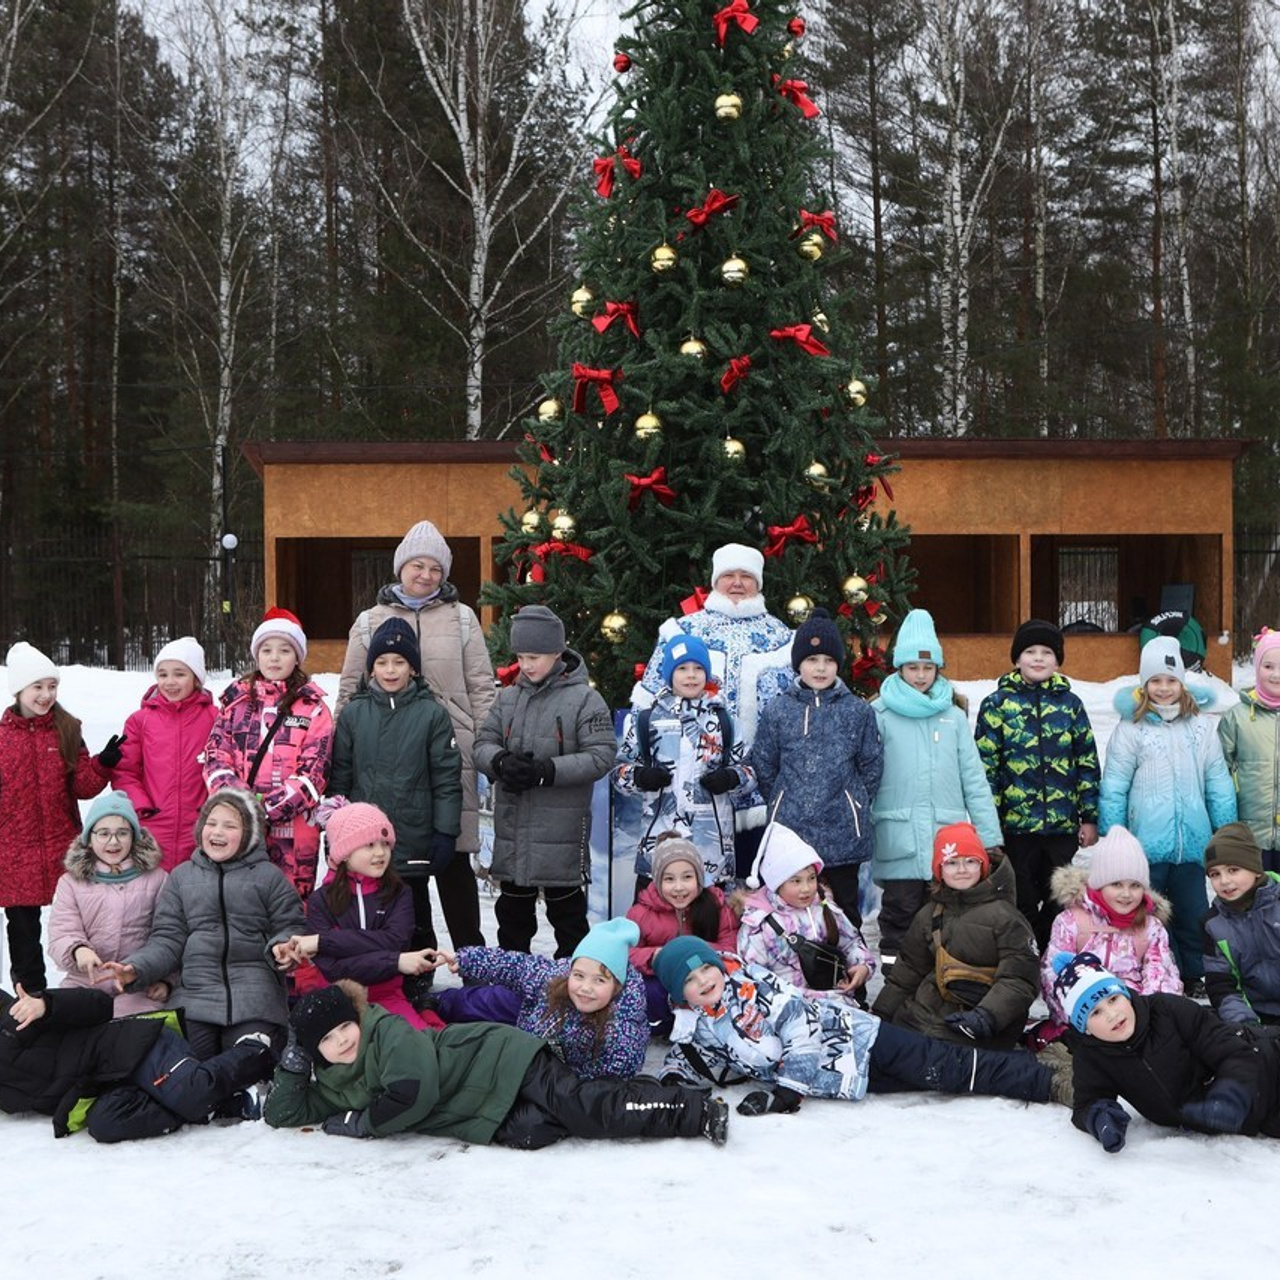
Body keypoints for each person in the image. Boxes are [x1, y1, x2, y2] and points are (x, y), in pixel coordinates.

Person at [263, 979, 730, 1148]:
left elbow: (414, 1091)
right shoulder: (331, 1085)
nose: (342, 1039)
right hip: (486, 1107)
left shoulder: (387, 1033)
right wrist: (291, 1064)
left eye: (345, 1026)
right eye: (325, 1039)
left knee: (584, 1110)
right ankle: (646, 1093)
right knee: (537, 1132)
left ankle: (692, 1113)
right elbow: (281, 1113)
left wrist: (364, 1123)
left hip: (501, 1057)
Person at [654, 936, 1070, 1111]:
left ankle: (1053, 1082)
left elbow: (798, 1028)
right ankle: (1034, 1075)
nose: (704, 980)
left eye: (706, 969)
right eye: (690, 980)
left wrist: (786, 1093)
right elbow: (691, 1057)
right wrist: (672, 1080)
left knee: (953, 1067)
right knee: (942, 1078)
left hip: (861, 1039)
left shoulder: (751, 985)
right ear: (680, 995)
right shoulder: (702, 1026)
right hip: (846, 1076)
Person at [335, 519, 496, 880]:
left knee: (453, 856)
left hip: (454, 752)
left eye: (436, 568)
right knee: (396, 862)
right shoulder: (369, 621)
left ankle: (465, 939)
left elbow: (482, 687)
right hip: (389, 755)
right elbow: (350, 690)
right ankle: (410, 936)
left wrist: (487, 745)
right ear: (400, 568)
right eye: (418, 565)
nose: (426, 575)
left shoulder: (462, 619)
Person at [103, 788, 305, 1058]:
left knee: (248, 1062)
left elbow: (291, 925)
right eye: (211, 823)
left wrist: (283, 946)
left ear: (250, 835)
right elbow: (167, 938)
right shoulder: (181, 877)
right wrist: (137, 968)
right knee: (186, 1067)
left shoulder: (269, 877)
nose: (217, 832)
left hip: (255, 996)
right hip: (195, 997)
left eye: (230, 825)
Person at [328, 617, 472, 995]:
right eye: (382, 662)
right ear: (371, 667)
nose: (390, 670)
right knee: (366, 914)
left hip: (413, 837)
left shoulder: (432, 714)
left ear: (413, 667)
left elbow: (445, 778)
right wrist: (336, 829)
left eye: (399, 662)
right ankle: (373, 983)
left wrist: (444, 833)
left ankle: (418, 987)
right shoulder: (355, 714)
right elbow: (340, 777)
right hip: (363, 840)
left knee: (414, 914)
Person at [631, 543, 793, 872]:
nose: (737, 583)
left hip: (756, 791)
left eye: (746, 576)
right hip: (687, 796)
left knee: (748, 883)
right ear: (715, 580)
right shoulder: (684, 631)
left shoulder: (782, 639)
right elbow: (647, 704)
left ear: (758, 583)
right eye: (729, 575)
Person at [1098, 634, 1236, 994]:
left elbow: (1217, 780)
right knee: (1152, 916)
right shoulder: (1131, 729)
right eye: (1155, 681)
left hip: (1192, 844)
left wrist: (1225, 830)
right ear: (1144, 685)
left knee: (1193, 915)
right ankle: (1159, 973)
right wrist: (1115, 834)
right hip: (1146, 846)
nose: (1163, 688)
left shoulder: (1201, 728)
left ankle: (1195, 974)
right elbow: (1114, 783)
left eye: (1171, 680)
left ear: (1182, 683)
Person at [474, 605, 614, 956]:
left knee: (568, 918)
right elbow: (482, 744)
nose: (527, 665)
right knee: (512, 917)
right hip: (515, 830)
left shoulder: (585, 699)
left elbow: (601, 756)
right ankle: (512, 979)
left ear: (557, 652)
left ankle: (575, 979)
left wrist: (546, 771)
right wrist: (501, 761)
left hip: (561, 834)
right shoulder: (508, 698)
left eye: (535, 656)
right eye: (521, 656)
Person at [871, 608, 1001, 965]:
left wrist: (988, 837)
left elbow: (973, 778)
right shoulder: (879, 714)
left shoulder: (953, 716)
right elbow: (867, 777)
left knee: (944, 919)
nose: (921, 675)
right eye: (913, 667)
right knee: (899, 917)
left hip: (947, 842)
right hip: (897, 837)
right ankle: (895, 991)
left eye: (928, 668)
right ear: (899, 668)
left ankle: (937, 989)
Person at [1053, 950, 1280, 1152]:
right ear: (1086, 1029)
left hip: (1267, 1069)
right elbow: (1086, 1103)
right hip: (1253, 1117)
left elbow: (1233, 1053)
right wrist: (1101, 1117)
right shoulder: (1091, 1054)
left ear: (1124, 993)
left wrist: (1230, 1095)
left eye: (1113, 999)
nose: (1112, 1014)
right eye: (1095, 1013)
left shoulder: (1168, 1011)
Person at [0, 984, 275, 1143]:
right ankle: (226, 1104)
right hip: (100, 1090)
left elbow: (99, 1005)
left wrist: (47, 1004)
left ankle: (255, 1048)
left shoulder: (16, 1013)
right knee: (106, 1126)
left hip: (133, 1049)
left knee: (191, 1091)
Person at [750, 608, 883, 926]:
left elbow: (871, 764)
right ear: (799, 664)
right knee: (792, 914)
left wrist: (854, 801)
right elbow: (765, 764)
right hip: (792, 832)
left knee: (844, 912)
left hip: (843, 835)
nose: (820, 668)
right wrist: (784, 800)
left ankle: (853, 975)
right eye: (812, 660)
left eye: (828, 660)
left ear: (838, 664)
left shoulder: (857, 711)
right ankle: (796, 975)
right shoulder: (780, 709)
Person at [975, 619, 1100, 950]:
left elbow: (1086, 762)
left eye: (1047, 652)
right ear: (1017, 658)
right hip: (1016, 827)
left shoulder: (1070, 705)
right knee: (1022, 896)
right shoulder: (997, 705)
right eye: (1030, 651)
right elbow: (987, 769)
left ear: (1057, 660)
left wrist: (1089, 817)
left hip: (1061, 825)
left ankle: (1051, 950)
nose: (1039, 658)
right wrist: (991, 825)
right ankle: (1025, 955)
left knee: (1060, 895)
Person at [1, 641, 112, 993]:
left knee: (79, 920)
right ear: (19, 689)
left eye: (52, 686)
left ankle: (88, 987)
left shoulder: (66, 729)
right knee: (23, 931)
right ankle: (29, 996)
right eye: (38, 687)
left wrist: (103, 764)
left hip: (62, 845)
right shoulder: (1, 738)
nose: (46, 694)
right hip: (14, 851)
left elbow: (81, 785)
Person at [275, 801, 443, 1031]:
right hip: (336, 1001)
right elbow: (333, 969)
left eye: (385, 843)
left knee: (415, 1047)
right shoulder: (320, 901)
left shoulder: (400, 894)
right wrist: (395, 961)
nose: (380, 853)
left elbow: (395, 940)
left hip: (388, 996)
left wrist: (323, 942)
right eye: (369, 845)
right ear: (344, 852)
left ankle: (425, 1011)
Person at [871, 822, 1039, 1051]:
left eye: (970, 861)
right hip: (922, 1018)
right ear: (940, 870)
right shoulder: (929, 915)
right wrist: (881, 1015)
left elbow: (1020, 979)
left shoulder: (1006, 918)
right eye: (951, 862)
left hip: (980, 1026)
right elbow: (908, 971)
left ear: (983, 865)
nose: (961, 869)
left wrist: (987, 1017)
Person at [203, 608, 333, 899]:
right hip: (239, 825)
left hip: (295, 830)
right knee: (240, 902)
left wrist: (265, 809)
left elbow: (314, 773)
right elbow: (215, 757)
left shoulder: (313, 708)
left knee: (289, 904)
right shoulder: (235, 704)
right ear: (256, 654)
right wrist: (240, 805)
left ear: (297, 656)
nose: (274, 657)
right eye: (267, 649)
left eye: (284, 650)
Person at [426, 917, 649, 1080]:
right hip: (532, 1026)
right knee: (487, 1000)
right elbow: (513, 966)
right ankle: (436, 1002)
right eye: (579, 976)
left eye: (599, 980)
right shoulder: (554, 976)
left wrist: (553, 1077)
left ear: (617, 986)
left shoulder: (621, 1030)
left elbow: (611, 1077)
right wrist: (464, 959)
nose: (585, 988)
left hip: (551, 1071)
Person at [613, 633, 752, 889]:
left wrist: (732, 778)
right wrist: (640, 776)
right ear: (669, 674)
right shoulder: (646, 720)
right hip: (660, 839)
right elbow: (619, 773)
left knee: (710, 921)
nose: (691, 675)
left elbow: (749, 772)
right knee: (656, 920)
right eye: (683, 668)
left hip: (712, 846)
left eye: (698, 668)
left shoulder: (725, 722)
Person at [1038, 825, 1181, 1040]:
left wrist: (1142, 1018)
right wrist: (1079, 1018)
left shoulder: (1151, 928)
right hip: (1084, 1017)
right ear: (1099, 884)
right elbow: (1053, 975)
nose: (1126, 894)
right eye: (1116, 884)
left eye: (1135, 885)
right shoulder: (1071, 922)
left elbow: (1162, 977)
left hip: (1136, 1017)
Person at [49, 792, 172, 1016]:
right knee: (62, 1021)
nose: (113, 842)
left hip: (139, 983)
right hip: (85, 980)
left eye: (122, 833)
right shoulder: (71, 882)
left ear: (134, 837)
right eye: (103, 833)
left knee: (128, 1033)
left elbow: (169, 937)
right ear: (89, 837)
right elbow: (62, 931)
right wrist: (78, 950)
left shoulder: (157, 879)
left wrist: (166, 981)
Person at [109, 636, 216, 871]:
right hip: (153, 826)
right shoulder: (140, 721)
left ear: (196, 678)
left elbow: (225, 767)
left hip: (199, 826)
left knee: (195, 897)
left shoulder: (215, 718)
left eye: (179, 674)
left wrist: (212, 808)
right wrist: (141, 807)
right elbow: (125, 771)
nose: (170, 682)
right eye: (163, 674)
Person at [736, 823, 875, 1004]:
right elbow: (751, 977)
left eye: (811, 878)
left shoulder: (825, 907)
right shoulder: (759, 926)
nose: (806, 888)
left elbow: (851, 943)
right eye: (796, 881)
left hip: (838, 1005)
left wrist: (862, 966)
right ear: (777, 883)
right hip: (789, 1013)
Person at [625, 834, 740, 1033]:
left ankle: (712, 1023)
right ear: (657, 880)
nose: (679, 887)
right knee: (644, 989)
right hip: (665, 985)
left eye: (687, 877)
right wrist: (656, 956)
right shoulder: (641, 912)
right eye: (669, 879)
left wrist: (695, 953)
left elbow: (730, 948)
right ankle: (664, 1025)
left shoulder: (716, 906)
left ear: (699, 878)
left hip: (703, 979)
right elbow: (626, 953)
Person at [1201, 822, 1280, 1026]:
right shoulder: (1214, 924)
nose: (1224, 881)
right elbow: (1222, 985)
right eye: (1215, 874)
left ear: (1255, 869)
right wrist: (1247, 1027)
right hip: (1255, 1016)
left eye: (1233, 870)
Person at [1218, 627, 1280, 873]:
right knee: (1257, 901)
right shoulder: (1237, 718)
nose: (1276, 674)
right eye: (1268, 666)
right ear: (1256, 668)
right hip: (1252, 838)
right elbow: (1219, 771)